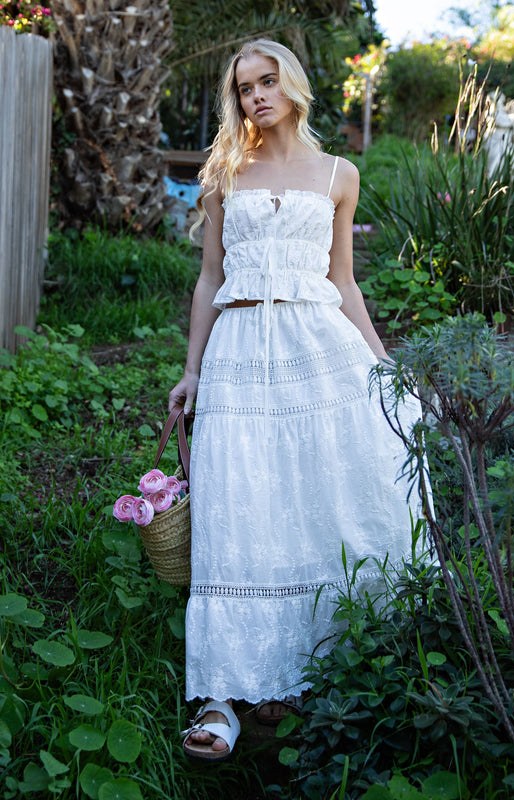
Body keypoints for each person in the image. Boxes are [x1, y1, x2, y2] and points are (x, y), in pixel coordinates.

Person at [169, 38, 426, 761]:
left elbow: (343, 281)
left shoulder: (339, 173)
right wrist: (191, 372)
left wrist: (384, 366)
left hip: (319, 348)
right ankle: (221, 697)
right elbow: (209, 278)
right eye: (243, 87)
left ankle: (311, 675)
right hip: (240, 351)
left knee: (320, 497)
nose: (255, 96)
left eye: (267, 81)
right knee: (239, 500)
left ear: (293, 84)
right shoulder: (225, 173)